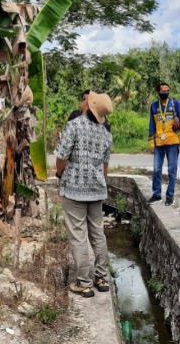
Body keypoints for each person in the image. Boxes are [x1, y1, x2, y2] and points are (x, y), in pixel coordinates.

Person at [55, 92, 114, 298]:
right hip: (96, 191)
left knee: (78, 236)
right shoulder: (106, 134)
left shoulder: (74, 126)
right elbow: (105, 167)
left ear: (89, 105)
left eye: (86, 100)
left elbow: (61, 158)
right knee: (98, 234)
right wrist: (100, 184)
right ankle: (102, 278)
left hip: (74, 191)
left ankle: (84, 283)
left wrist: (60, 174)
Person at [148, 82, 180, 206]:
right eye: (163, 91)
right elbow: (152, 125)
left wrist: (179, 123)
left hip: (172, 141)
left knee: (172, 170)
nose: (166, 93)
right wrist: (151, 143)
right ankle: (156, 195)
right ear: (158, 92)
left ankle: (170, 196)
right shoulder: (154, 106)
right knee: (156, 170)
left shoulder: (175, 104)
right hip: (159, 142)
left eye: (167, 91)